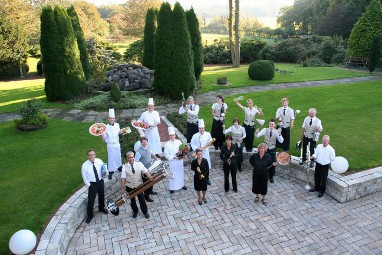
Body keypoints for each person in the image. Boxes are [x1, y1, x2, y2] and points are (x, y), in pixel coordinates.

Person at [120, 151, 153, 219]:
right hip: (129, 186)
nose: (131, 159)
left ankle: (145, 212)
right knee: (132, 200)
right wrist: (122, 188)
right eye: (129, 158)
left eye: (132, 157)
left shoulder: (139, 164)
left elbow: (146, 171)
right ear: (127, 158)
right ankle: (135, 211)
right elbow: (123, 178)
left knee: (142, 199)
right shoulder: (124, 167)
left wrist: (150, 177)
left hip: (139, 185)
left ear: (134, 157)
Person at [81, 149, 108, 224]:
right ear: (88, 156)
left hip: (100, 181)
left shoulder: (99, 161)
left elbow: (104, 170)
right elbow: (84, 178)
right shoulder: (84, 165)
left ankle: (101, 208)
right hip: (92, 184)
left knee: (101, 196)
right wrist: (90, 186)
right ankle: (90, 215)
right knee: (91, 200)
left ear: (95, 155)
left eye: (93, 154)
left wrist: (106, 174)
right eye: (90, 155)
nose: (92, 156)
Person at [255, 119, 284, 183]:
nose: (271, 125)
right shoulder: (265, 130)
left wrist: (279, 134)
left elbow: (281, 141)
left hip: (272, 148)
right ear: (269, 124)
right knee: (263, 161)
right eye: (270, 124)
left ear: (274, 125)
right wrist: (256, 132)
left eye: (272, 124)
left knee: (273, 163)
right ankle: (263, 174)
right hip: (265, 148)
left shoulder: (276, 131)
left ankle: (271, 176)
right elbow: (257, 136)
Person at [134, 137, 159, 202]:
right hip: (144, 170)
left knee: (152, 179)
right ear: (141, 142)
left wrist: (156, 158)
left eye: (145, 142)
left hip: (150, 167)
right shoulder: (138, 152)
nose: (144, 143)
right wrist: (141, 171)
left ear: (147, 142)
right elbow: (136, 162)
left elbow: (151, 153)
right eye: (143, 142)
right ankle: (146, 196)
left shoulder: (148, 146)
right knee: (146, 183)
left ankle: (150, 191)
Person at [164, 126, 187, 194]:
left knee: (180, 174)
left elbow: (183, 150)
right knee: (173, 175)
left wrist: (184, 154)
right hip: (173, 163)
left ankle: (181, 185)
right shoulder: (167, 144)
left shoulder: (179, 142)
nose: (172, 137)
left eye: (173, 135)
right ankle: (172, 188)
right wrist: (173, 157)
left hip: (179, 162)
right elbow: (166, 155)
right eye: (171, 135)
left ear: (175, 135)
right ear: (169, 136)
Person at [102, 109, 123, 180]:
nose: (112, 119)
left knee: (118, 156)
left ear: (114, 118)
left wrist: (123, 131)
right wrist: (101, 132)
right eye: (110, 118)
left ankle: (119, 167)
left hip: (117, 144)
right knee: (111, 158)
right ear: (108, 119)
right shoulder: (105, 127)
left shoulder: (117, 125)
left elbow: (118, 132)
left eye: (113, 118)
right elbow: (103, 138)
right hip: (110, 145)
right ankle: (111, 171)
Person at [191, 119, 213, 185]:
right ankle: (199, 178)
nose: (201, 129)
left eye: (202, 128)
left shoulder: (208, 134)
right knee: (198, 167)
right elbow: (192, 144)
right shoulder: (195, 136)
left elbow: (210, 141)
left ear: (204, 128)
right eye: (200, 128)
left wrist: (210, 143)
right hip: (198, 154)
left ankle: (207, 179)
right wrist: (197, 149)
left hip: (205, 153)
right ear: (198, 129)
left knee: (206, 166)